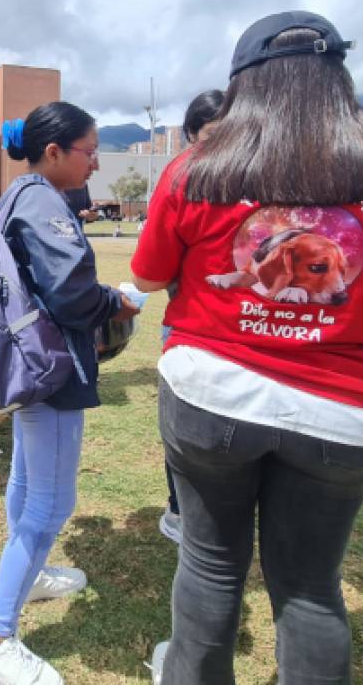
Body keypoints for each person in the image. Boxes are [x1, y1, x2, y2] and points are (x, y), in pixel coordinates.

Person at [131, 11, 363, 685]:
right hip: (342, 408)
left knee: (212, 564)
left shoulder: (197, 169)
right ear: (339, 76)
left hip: (210, 394)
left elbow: (150, 274)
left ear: (244, 85)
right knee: (310, 588)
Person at [0, 102, 140, 685]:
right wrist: (115, 300)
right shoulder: (41, 199)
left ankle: (30, 578)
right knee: (52, 504)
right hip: (50, 365)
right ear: (56, 151)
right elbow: (69, 291)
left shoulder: (17, 195)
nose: (95, 163)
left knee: (26, 479)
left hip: (23, 360)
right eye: (90, 151)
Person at [159, 87, 226, 547]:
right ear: (189, 136)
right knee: (186, 424)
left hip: (243, 331)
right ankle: (181, 510)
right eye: (210, 135)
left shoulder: (262, 179)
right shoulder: (182, 178)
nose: (223, 146)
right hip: (190, 326)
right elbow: (151, 271)